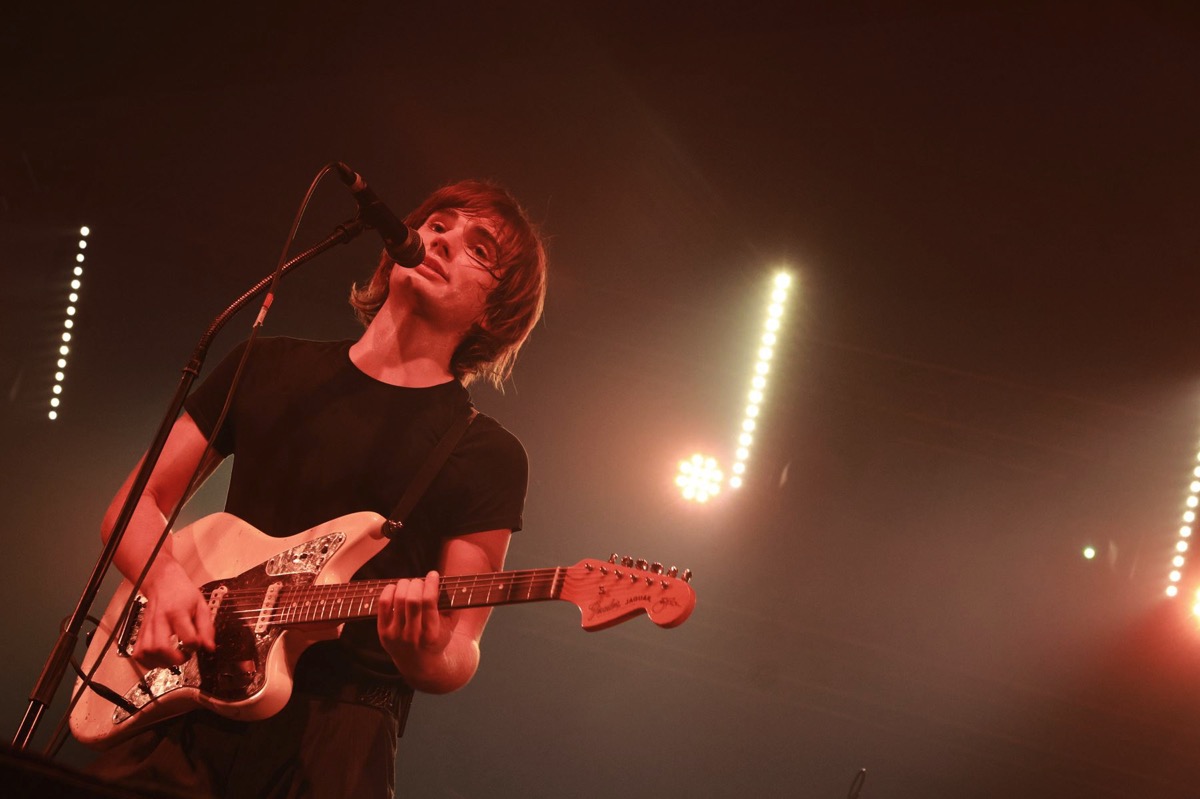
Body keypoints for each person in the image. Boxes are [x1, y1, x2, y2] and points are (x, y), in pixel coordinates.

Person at [86, 178, 548, 798]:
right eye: (437, 225)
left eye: (478, 248)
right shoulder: (264, 364)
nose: (441, 241)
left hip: (341, 730)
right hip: (183, 695)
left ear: (496, 312)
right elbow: (133, 505)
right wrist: (166, 581)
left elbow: (461, 649)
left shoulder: (487, 453)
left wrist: (421, 653)